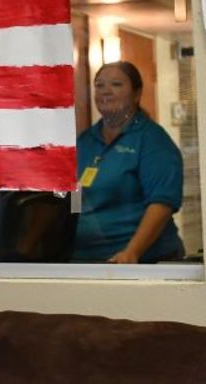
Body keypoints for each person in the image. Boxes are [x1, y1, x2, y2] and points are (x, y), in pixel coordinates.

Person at [71, 60, 184, 264]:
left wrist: (132, 252)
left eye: (116, 84)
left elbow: (162, 203)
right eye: (99, 85)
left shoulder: (152, 140)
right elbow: (74, 194)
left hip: (139, 260)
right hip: (85, 259)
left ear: (137, 93)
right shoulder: (85, 141)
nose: (106, 91)